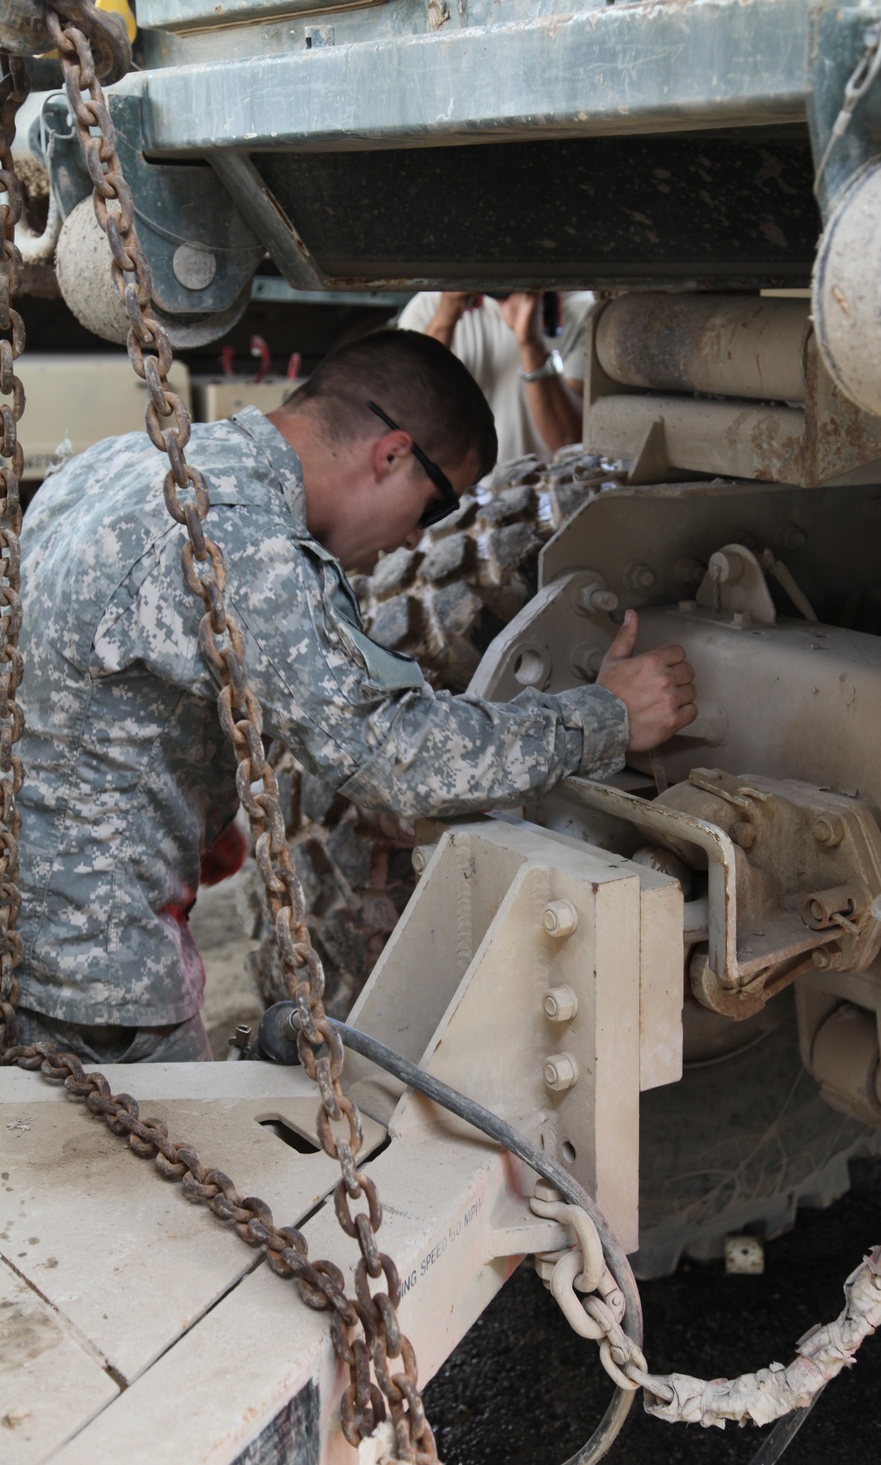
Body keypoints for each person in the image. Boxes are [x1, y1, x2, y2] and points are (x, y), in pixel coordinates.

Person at [11, 329, 696, 1064]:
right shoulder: (248, 539)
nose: (410, 545)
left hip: (29, 944)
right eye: (434, 509)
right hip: (98, 987)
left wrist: (185, 798)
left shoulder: (122, 462)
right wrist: (607, 717)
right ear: (393, 453)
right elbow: (396, 760)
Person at [396, 290, 593, 463]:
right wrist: (444, 321)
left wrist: (531, 344)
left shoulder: (580, 310)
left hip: (547, 494)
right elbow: (408, 420)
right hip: (459, 498)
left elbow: (569, 443)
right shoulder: (428, 307)